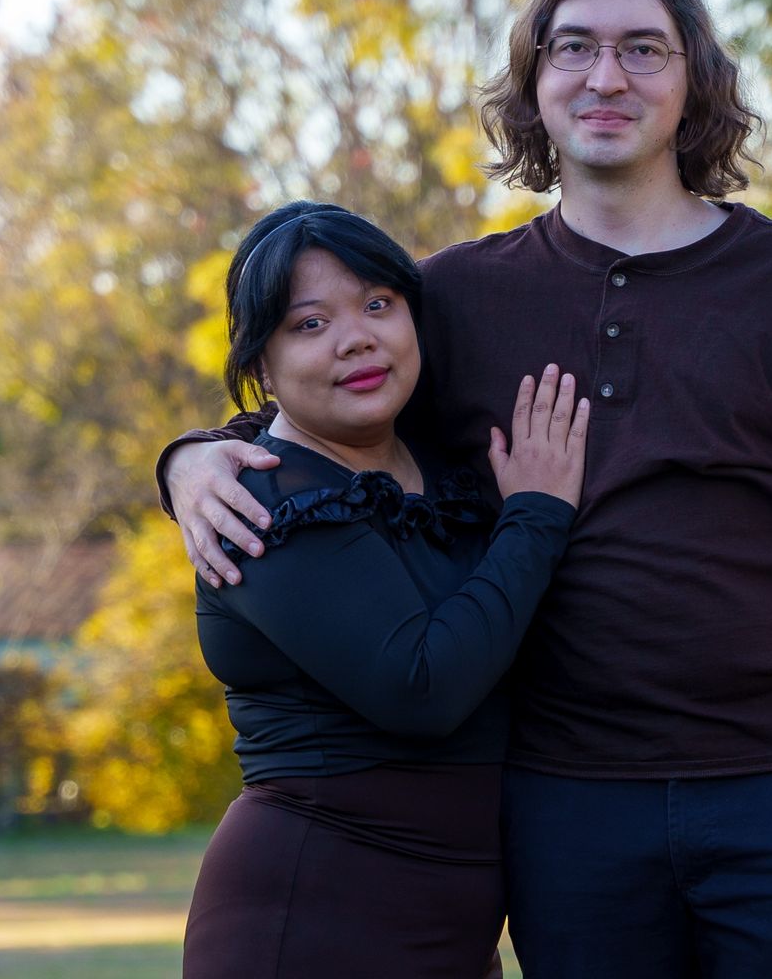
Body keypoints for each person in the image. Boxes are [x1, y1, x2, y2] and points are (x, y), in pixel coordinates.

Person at [161, 0, 772, 977]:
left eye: (643, 49)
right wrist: (191, 459)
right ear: (535, 84)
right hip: (565, 810)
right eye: (573, 47)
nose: (606, 76)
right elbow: (328, 396)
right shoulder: (457, 299)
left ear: (694, 80)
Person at [180, 200, 589, 978]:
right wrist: (536, 516)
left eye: (378, 304)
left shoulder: (446, 474)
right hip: (312, 915)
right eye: (309, 324)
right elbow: (422, 685)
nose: (356, 338)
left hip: (450, 921)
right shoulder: (262, 499)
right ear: (261, 366)